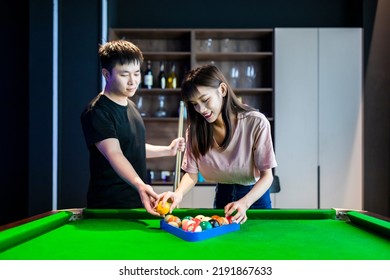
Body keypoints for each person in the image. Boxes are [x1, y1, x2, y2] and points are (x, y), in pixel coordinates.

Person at [159, 64, 277, 223]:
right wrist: (178, 194)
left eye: (205, 100)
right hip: (223, 195)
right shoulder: (194, 131)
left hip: (254, 199)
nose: (201, 110)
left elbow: (267, 177)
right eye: (194, 104)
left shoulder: (256, 123)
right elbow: (191, 174)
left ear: (222, 90)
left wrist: (245, 203)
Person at [81, 40, 185, 216]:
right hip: (109, 207)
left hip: (137, 202)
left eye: (136, 73)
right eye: (124, 75)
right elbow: (115, 153)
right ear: (106, 74)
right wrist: (140, 184)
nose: (133, 81)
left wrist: (168, 150)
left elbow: (131, 148)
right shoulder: (97, 111)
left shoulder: (131, 106)